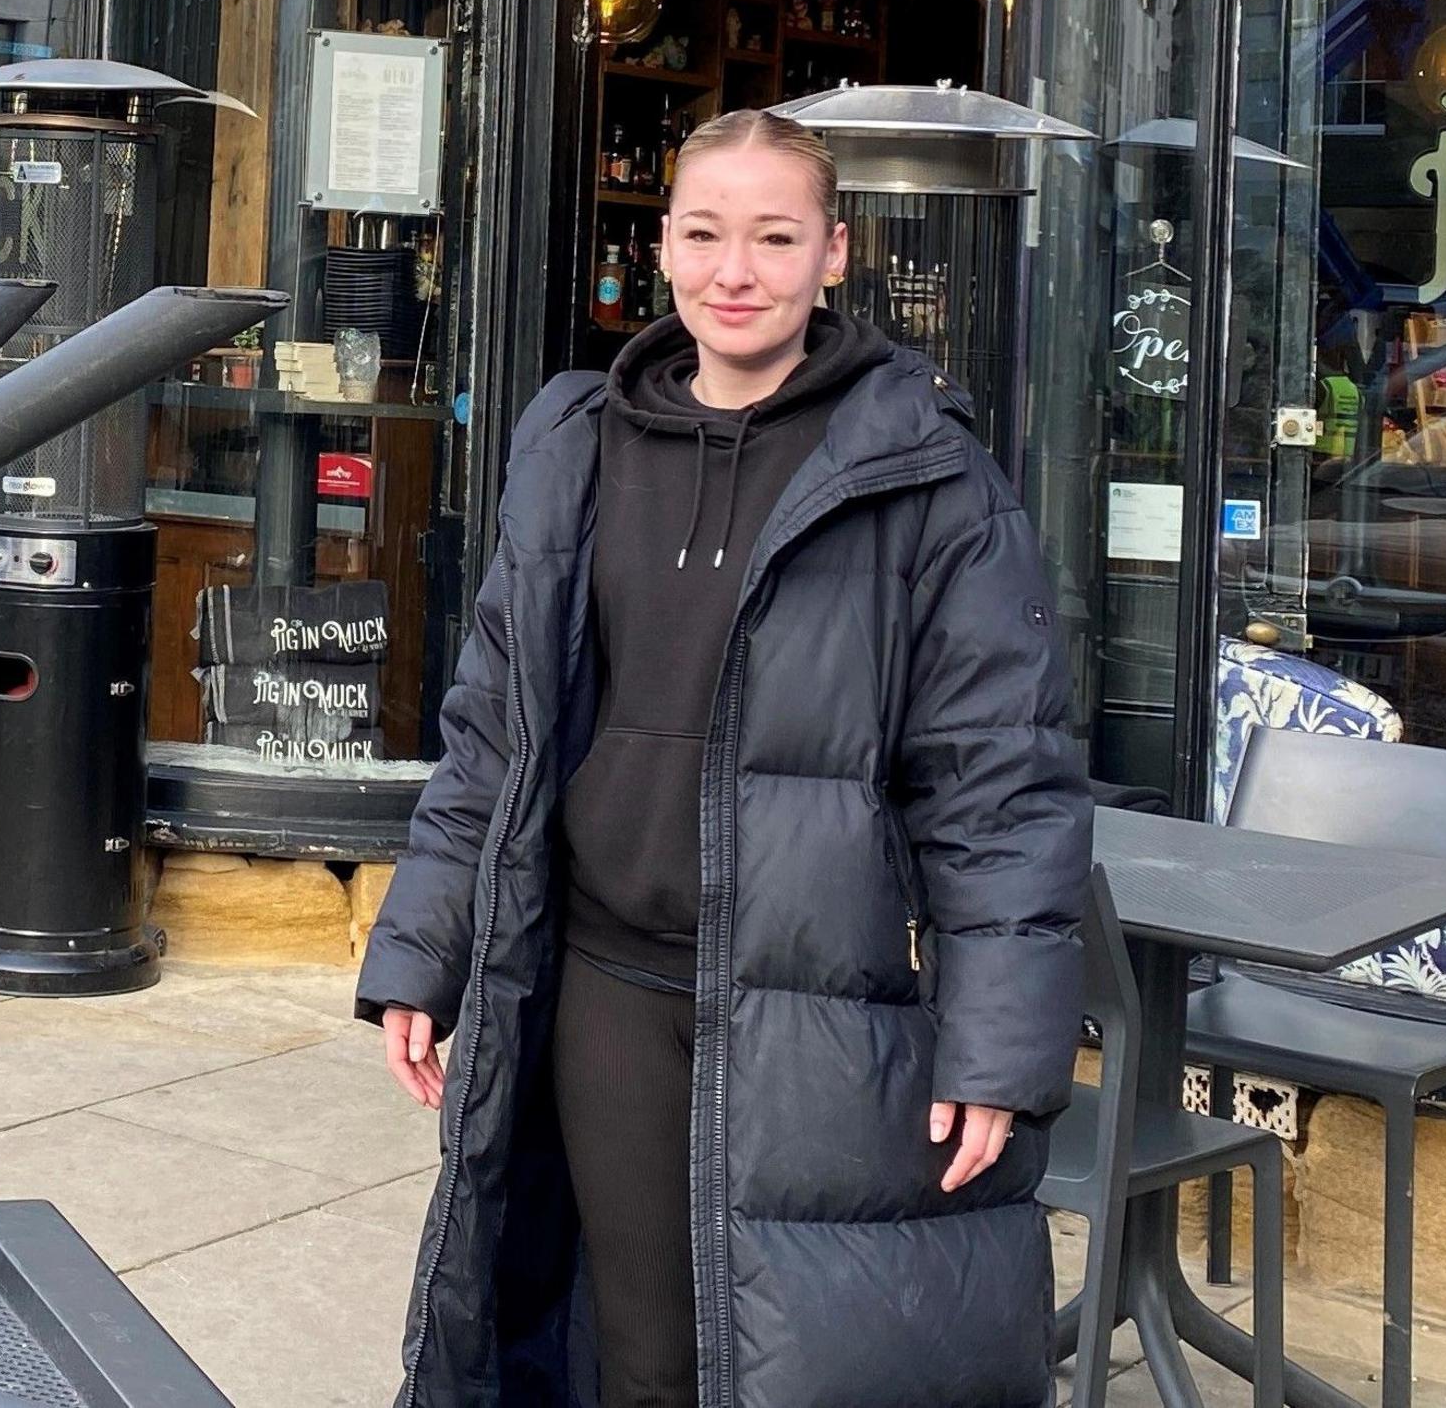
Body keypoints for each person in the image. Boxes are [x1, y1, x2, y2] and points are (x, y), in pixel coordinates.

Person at [360, 106, 1089, 1408]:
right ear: (664, 246)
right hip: (608, 985)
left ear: (834, 255)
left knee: (810, 1361)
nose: (734, 270)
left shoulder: (924, 476)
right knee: (643, 1352)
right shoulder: (573, 447)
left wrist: (999, 1050)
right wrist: (427, 947)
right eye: (704, 233)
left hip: (823, 1001)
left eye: (774, 236)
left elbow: (1000, 785)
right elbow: (492, 730)